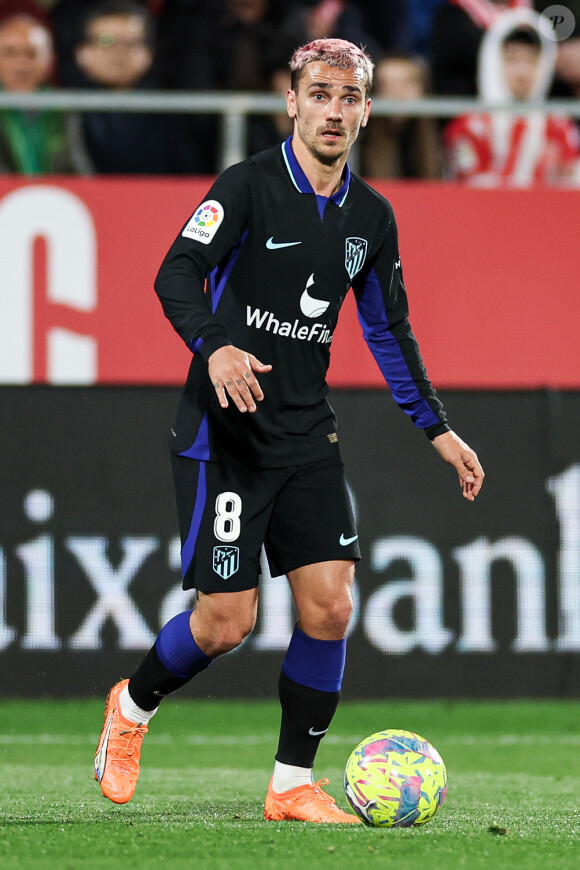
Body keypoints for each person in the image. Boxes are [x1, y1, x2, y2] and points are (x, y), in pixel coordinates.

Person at [94, 37, 485, 824]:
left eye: (349, 98)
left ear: (368, 110)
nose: (333, 111)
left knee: (331, 608)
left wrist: (438, 431)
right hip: (227, 433)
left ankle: (290, 787)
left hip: (307, 433)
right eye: (320, 94)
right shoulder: (246, 186)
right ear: (292, 102)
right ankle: (131, 708)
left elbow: (389, 333)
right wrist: (216, 346)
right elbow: (174, 273)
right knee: (225, 623)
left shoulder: (371, 218)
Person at [443, 10, 580, 186]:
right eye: (512, 59)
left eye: (531, 60)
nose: (522, 72)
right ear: (492, 62)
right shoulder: (468, 126)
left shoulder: (559, 126)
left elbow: (570, 182)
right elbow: (467, 183)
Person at [73, 0, 210, 174]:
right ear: (83, 51)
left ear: (148, 53)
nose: (118, 52)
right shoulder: (62, 112)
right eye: (106, 41)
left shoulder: (169, 114)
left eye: (130, 42)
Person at [0, 14, 88, 174]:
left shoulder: (64, 108)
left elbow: (77, 164)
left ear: (48, 61)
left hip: (55, 195)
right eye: (10, 53)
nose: (21, 63)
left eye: (31, 53)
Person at [359, 53, 442, 179]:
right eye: (387, 85)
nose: (397, 93)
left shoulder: (441, 138)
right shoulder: (359, 142)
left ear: (423, 88)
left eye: (407, 83)